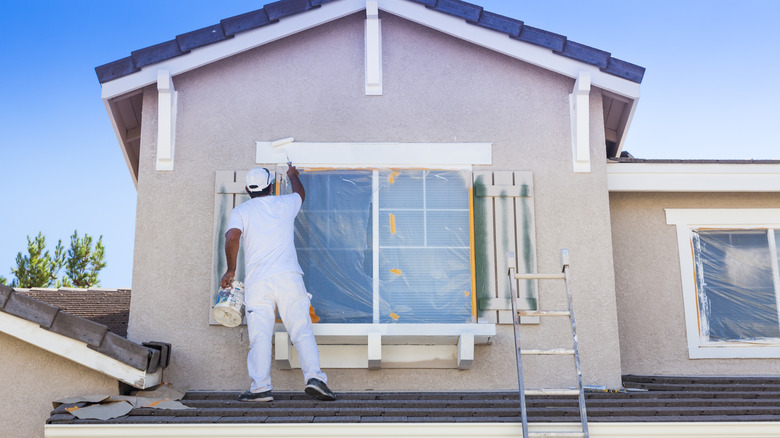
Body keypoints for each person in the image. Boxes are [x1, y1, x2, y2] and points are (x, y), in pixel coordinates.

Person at [221, 165, 335, 402]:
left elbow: (232, 237)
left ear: (246, 190)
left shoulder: (241, 211)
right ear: (271, 186)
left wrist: (230, 270)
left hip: (258, 283)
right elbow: (299, 194)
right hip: (288, 278)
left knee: (260, 336)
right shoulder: (284, 204)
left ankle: (260, 388)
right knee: (301, 330)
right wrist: (293, 175)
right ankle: (315, 379)